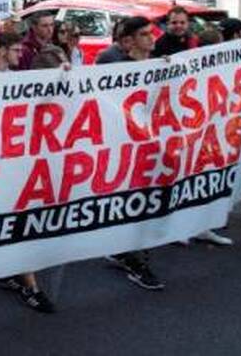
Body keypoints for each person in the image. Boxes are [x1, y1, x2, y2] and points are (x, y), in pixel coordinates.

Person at [0, 33, 57, 312]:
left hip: (17, 163)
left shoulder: (16, 78)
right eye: (16, 50)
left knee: (18, 221)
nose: (21, 55)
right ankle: (30, 287)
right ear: (1, 51)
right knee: (17, 223)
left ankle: (13, 271)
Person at [93, 17, 165, 290]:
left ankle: (127, 252)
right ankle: (134, 260)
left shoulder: (159, 66)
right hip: (125, 149)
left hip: (151, 146)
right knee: (133, 203)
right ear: (129, 42)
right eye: (144, 35)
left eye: (151, 33)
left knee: (147, 204)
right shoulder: (118, 71)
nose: (151, 39)